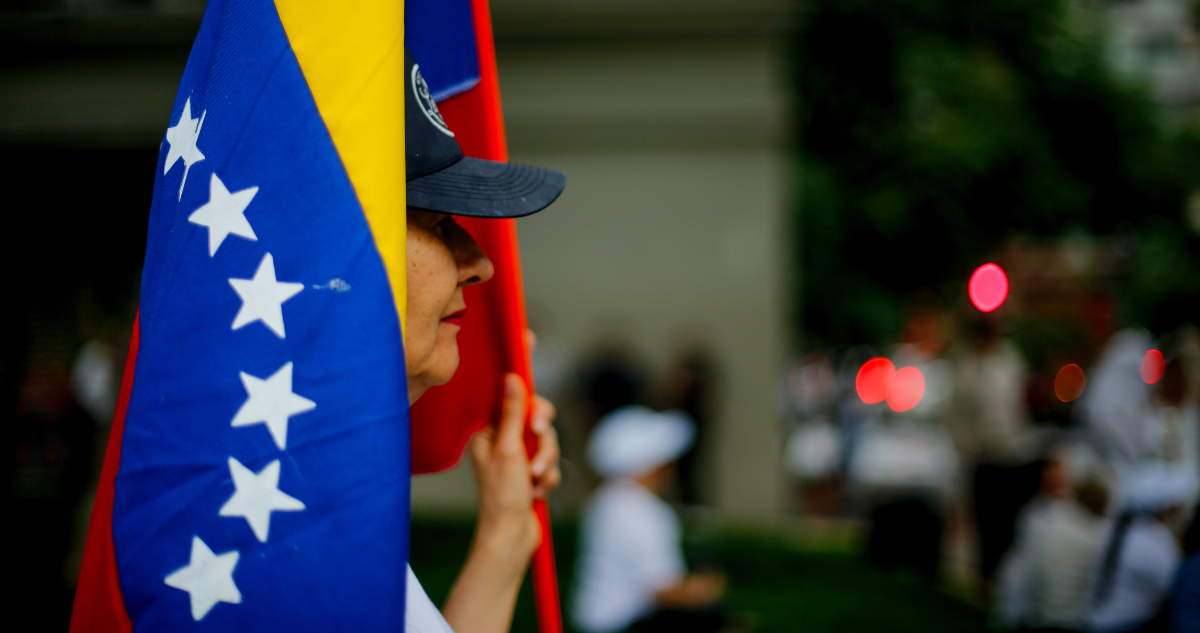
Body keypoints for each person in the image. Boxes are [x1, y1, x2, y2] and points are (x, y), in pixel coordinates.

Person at [400, 54, 567, 633]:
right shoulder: (265, 524)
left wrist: (506, 534)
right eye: (439, 223)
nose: (481, 265)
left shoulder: (289, 491)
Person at [572, 406, 727, 633]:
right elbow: (664, 589)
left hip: (594, 622)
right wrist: (705, 588)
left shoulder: (604, 501)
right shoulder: (646, 511)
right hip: (627, 624)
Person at [1088, 462, 1196, 633]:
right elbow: (1171, 588)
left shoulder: (1116, 528)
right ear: (1165, 508)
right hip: (1129, 624)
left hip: (1096, 620)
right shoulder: (1155, 538)